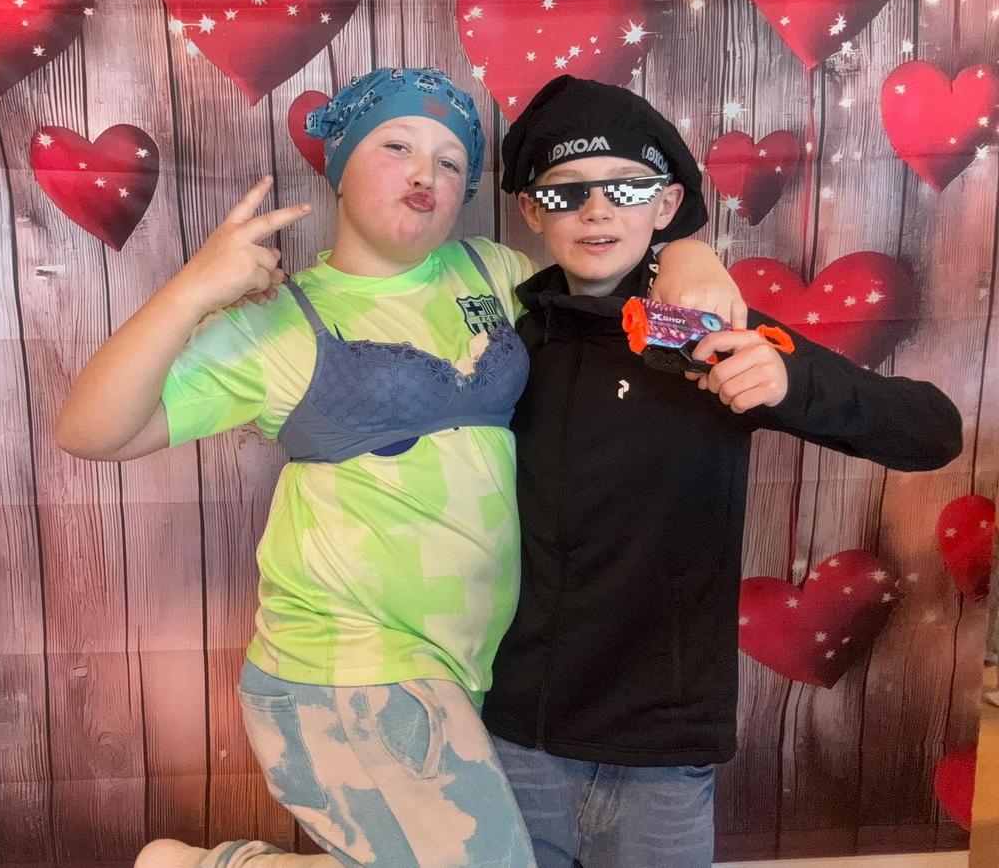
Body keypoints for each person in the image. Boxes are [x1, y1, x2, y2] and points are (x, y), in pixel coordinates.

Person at [56, 68, 742, 868]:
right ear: (339, 167)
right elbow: (90, 431)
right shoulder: (280, 318)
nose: (427, 173)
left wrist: (687, 250)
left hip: (468, 670)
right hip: (347, 659)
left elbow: (609, 275)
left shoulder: (493, 274)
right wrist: (189, 293)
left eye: (451, 162)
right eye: (396, 146)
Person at [481, 75, 964, 868]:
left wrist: (790, 381)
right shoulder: (507, 342)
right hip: (516, 738)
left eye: (625, 187)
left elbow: (932, 433)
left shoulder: (713, 332)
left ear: (665, 203)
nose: (597, 210)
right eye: (567, 193)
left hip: (662, 749)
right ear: (533, 211)